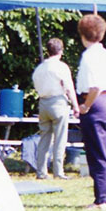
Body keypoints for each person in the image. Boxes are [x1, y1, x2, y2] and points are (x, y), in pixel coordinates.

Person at [76, 14, 106, 209]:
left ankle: (100, 199)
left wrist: (85, 106)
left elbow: (93, 87)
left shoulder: (88, 56)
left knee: (97, 153)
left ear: (83, 35)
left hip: (94, 103)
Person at [32, 37, 80, 180]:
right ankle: (58, 171)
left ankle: (41, 171)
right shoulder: (61, 67)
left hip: (43, 103)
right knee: (60, 138)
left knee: (44, 138)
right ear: (61, 51)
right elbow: (69, 88)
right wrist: (75, 105)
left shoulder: (39, 69)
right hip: (58, 102)